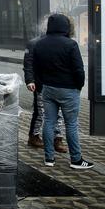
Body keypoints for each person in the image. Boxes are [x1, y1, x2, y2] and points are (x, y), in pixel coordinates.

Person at [33, 13, 92, 169]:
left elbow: (36, 69)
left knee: (49, 122)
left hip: (48, 89)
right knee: (71, 124)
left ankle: (49, 158)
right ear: (66, 26)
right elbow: (79, 69)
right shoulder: (70, 45)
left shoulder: (40, 44)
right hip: (68, 89)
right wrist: (79, 86)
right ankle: (76, 160)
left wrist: (41, 86)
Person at [24, 17, 67, 154]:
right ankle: (34, 135)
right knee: (41, 111)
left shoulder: (63, 42)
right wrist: (30, 80)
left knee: (59, 112)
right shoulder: (34, 43)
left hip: (58, 83)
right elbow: (28, 64)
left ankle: (58, 138)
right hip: (41, 83)